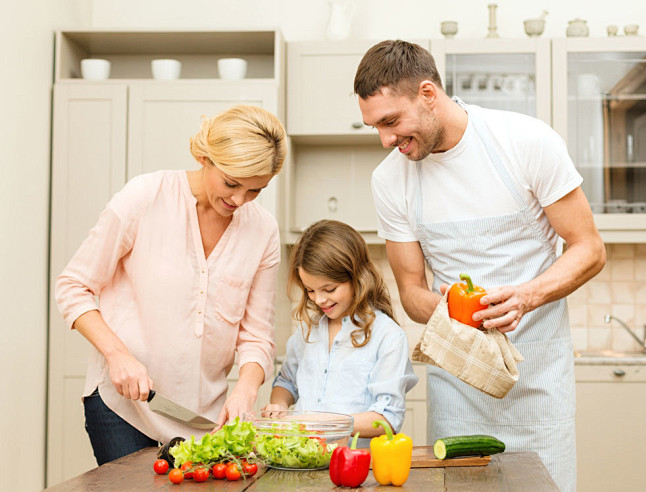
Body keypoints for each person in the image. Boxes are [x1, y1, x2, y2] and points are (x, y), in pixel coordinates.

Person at [353, 40, 606, 492]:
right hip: (458, 392)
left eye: (391, 121)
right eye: (375, 126)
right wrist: (458, 309)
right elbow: (411, 291)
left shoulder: (525, 141)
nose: (386, 140)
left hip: (538, 384)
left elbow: (589, 248)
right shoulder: (390, 180)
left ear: (428, 93)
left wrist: (526, 297)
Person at [55, 104, 288, 465]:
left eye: (255, 190)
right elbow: (73, 286)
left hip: (203, 420)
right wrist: (117, 355)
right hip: (124, 407)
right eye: (231, 183)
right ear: (203, 156)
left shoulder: (263, 230)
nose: (239, 201)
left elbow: (256, 336)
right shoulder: (144, 197)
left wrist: (245, 390)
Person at [266, 219, 418, 442]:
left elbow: (387, 418)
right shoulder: (308, 331)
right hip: (303, 459)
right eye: (310, 290)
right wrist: (279, 404)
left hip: (356, 467)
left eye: (329, 289)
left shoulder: (387, 336)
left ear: (357, 278)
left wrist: (321, 422)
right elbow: (286, 382)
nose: (319, 299)